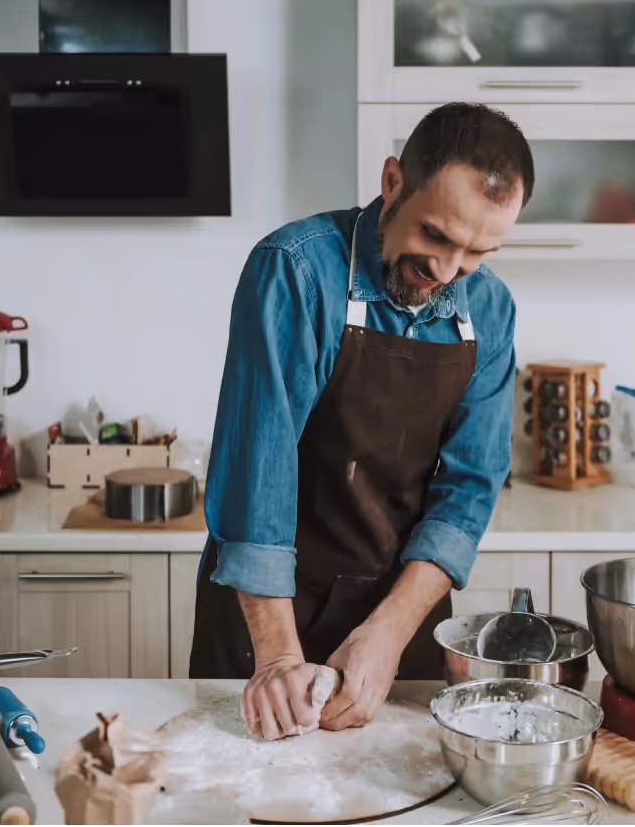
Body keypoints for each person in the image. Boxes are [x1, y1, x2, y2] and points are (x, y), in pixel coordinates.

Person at [191, 102, 534, 740]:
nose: (446, 272)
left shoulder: (491, 310)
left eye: (476, 253)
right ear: (393, 182)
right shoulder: (296, 270)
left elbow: (469, 489)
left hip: (395, 609)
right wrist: (278, 656)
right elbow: (256, 474)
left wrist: (391, 631)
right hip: (267, 611)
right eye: (435, 236)